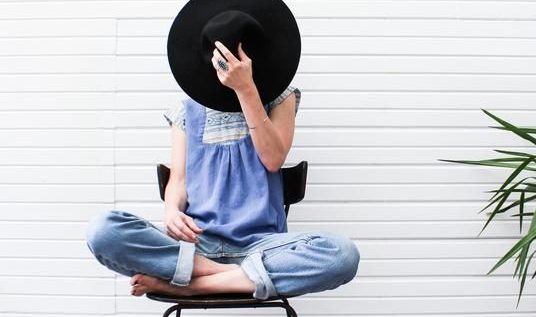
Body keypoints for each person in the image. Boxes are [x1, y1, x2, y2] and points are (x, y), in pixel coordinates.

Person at [85, 2, 360, 301]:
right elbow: (178, 180)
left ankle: (194, 283)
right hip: (197, 245)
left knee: (342, 253)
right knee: (104, 230)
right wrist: (170, 211)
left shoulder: (280, 98)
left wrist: (246, 90)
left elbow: (272, 159)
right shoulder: (186, 109)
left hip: (262, 247)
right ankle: (222, 274)